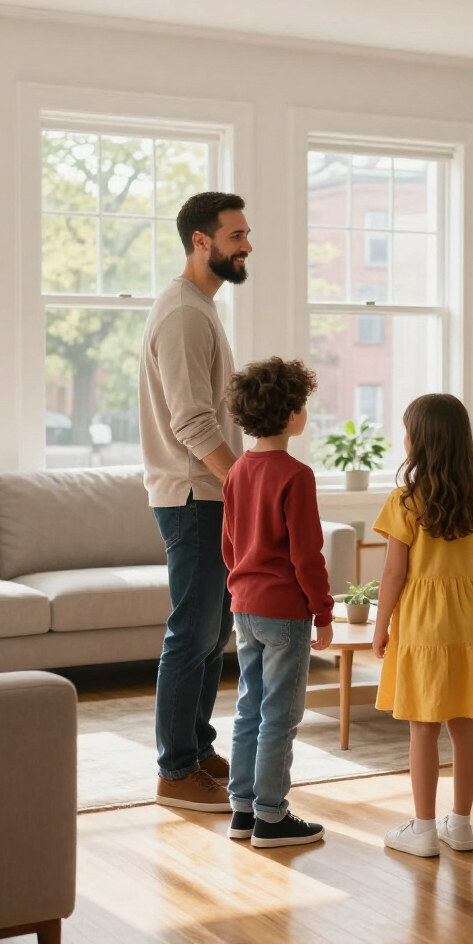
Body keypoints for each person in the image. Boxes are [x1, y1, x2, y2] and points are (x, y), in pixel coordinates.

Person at [140, 191, 251, 812]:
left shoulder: (201, 308)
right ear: (201, 242)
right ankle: (175, 771)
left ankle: (196, 748)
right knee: (193, 632)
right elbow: (192, 422)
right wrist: (247, 485)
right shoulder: (183, 313)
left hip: (206, 495)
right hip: (194, 495)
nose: (247, 245)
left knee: (213, 631)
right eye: (236, 236)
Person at [372, 394, 473, 858]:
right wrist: (472, 609)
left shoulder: (404, 501)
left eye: (406, 430)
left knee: (422, 728)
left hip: (421, 624)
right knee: (464, 724)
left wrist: (381, 624)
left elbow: (393, 573)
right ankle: (461, 826)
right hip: (466, 619)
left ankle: (424, 829)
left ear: (420, 443)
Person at [221, 357, 334, 848]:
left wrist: (242, 585)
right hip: (284, 611)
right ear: (291, 414)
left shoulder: (237, 472)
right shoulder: (297, 475)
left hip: (243, 606)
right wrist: (323, 611)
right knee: (280, 714)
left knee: (250, 706)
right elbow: (307, 555)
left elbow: (229, 546)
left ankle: (242, 810)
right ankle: (271, 816)